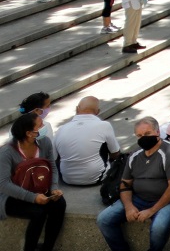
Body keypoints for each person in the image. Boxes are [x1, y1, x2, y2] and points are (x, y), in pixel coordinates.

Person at [97, 116, 170, 251]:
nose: (143, 138)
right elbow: (125, 184)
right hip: (139, 197)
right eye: (139, 135)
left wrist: (151, 211)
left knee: (158, 227)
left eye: (147, 134)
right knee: (103, 220)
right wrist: (129, 207)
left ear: (157, 132)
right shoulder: (134, 156)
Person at [2, 113, 65, 251]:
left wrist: (54, 188)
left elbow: (52, 166)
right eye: (40, 125)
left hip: (38, 188)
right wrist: (33, 198)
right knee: (38, 212)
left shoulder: (45, 142)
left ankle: (47, 247)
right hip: (12, 195)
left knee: (59, 204)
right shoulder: (7, 152)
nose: (44, 127)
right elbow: (3, 184)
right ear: (29, 133)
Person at [52, 95, 119, 185]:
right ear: (98, 112)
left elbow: (54, 157)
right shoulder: (104, 125)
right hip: (95, 178)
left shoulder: (61, 129)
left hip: (67, 178)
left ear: (77, 109)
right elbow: (115, 153)